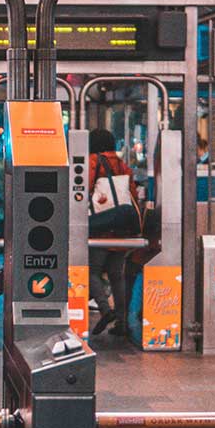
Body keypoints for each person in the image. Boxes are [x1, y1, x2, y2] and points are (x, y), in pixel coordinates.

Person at [86, 128, 136, 338]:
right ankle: (123, 323)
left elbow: (83, 189)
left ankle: (106, 310)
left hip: (101, 226)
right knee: (117, 276)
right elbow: (132, 193)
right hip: (122, 227)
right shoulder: (123, 165)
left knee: (92, 271)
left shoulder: (92, 162)